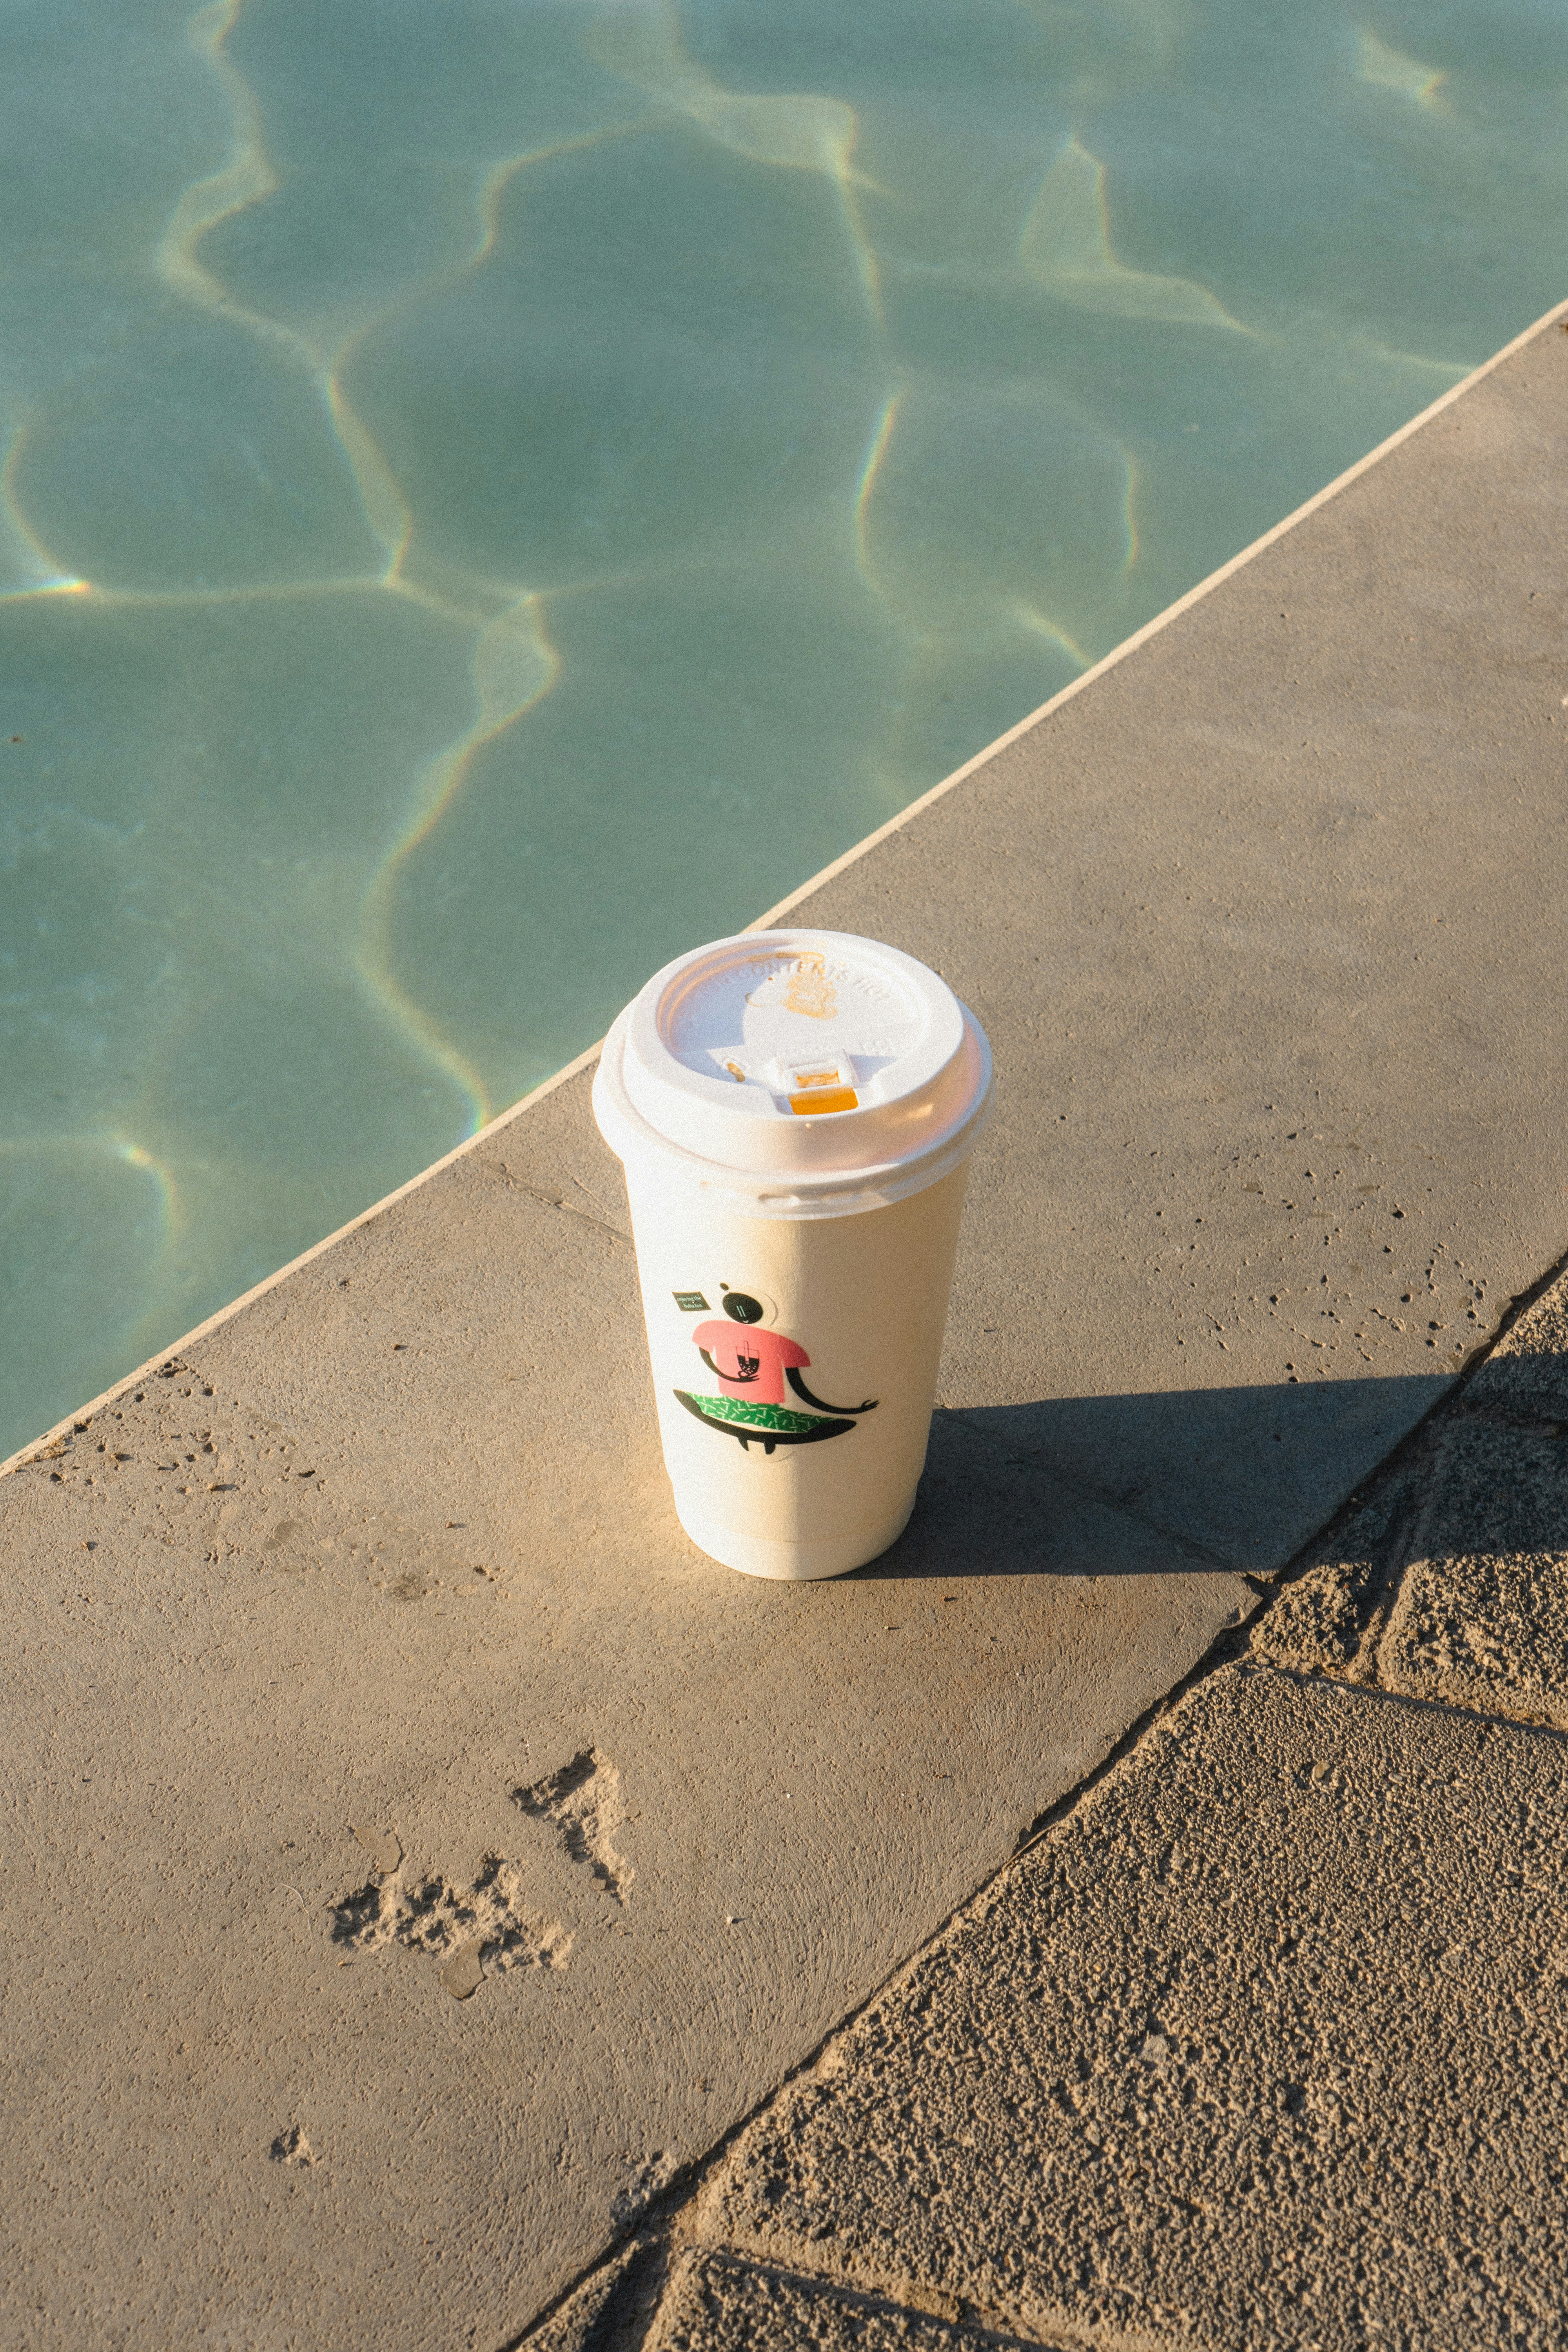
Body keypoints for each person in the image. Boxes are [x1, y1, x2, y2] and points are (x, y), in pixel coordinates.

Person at [691, 1292, 875, 1415]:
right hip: (731, 1401)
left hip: (769, 1407)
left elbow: (801, 1387)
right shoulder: (714, 1328)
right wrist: (732, 1378)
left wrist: (850, 1411)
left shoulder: (784, 1345)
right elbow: (801, 1388)